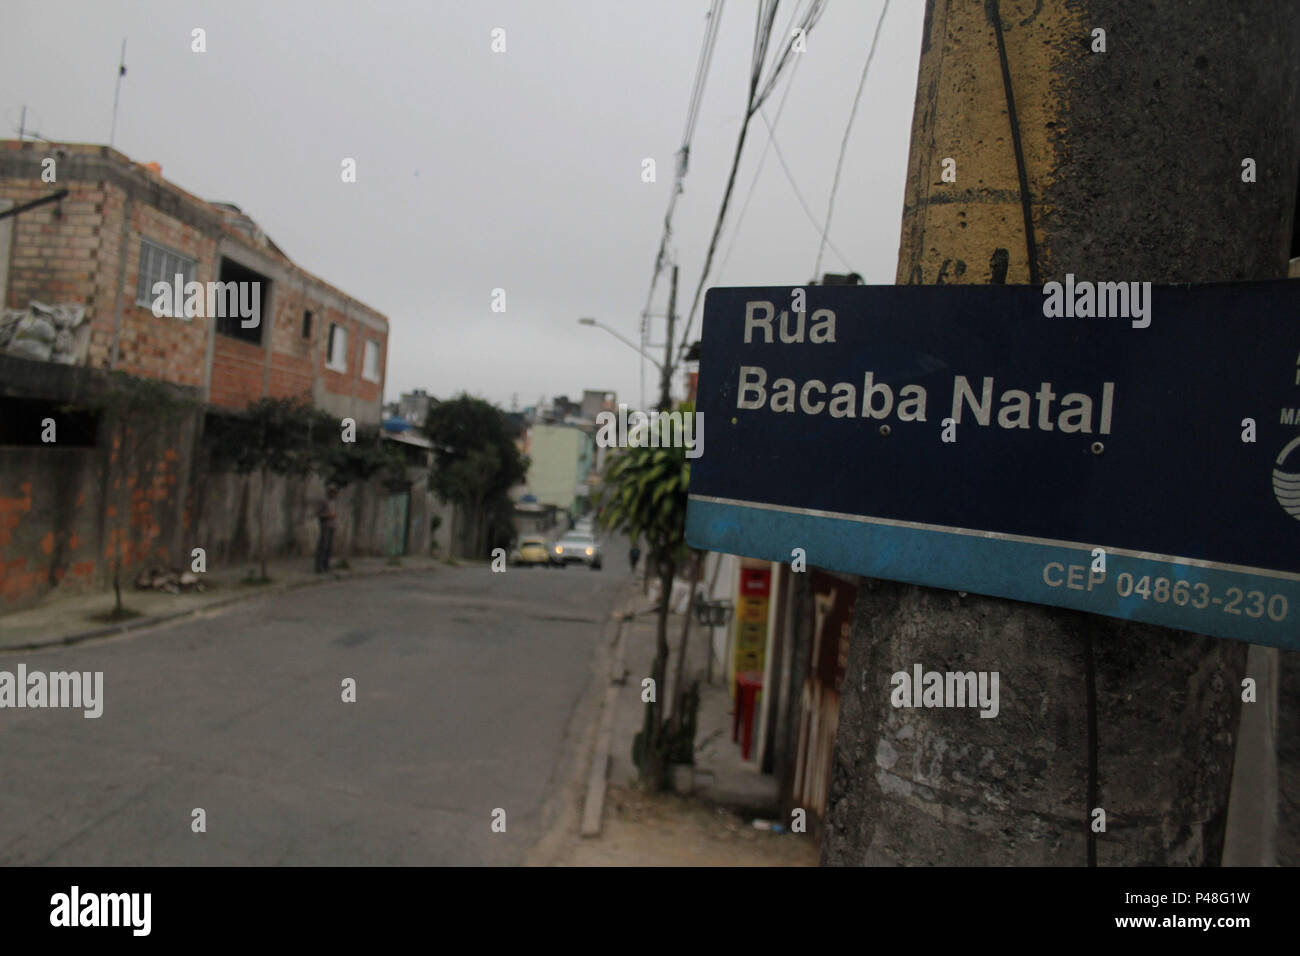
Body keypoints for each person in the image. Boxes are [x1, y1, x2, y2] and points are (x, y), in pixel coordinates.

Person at [315, 484, 339, 572]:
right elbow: (318, 513)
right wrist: (328, 515)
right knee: (323, 546)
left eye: (334, 493)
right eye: (331, 492)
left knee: (329, 547)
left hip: (332, 526)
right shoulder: (323, 501)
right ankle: (318, 566)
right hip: (325, 526)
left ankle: (326, 565)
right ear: (328, 492)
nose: (333, 494)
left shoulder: (334, 502)